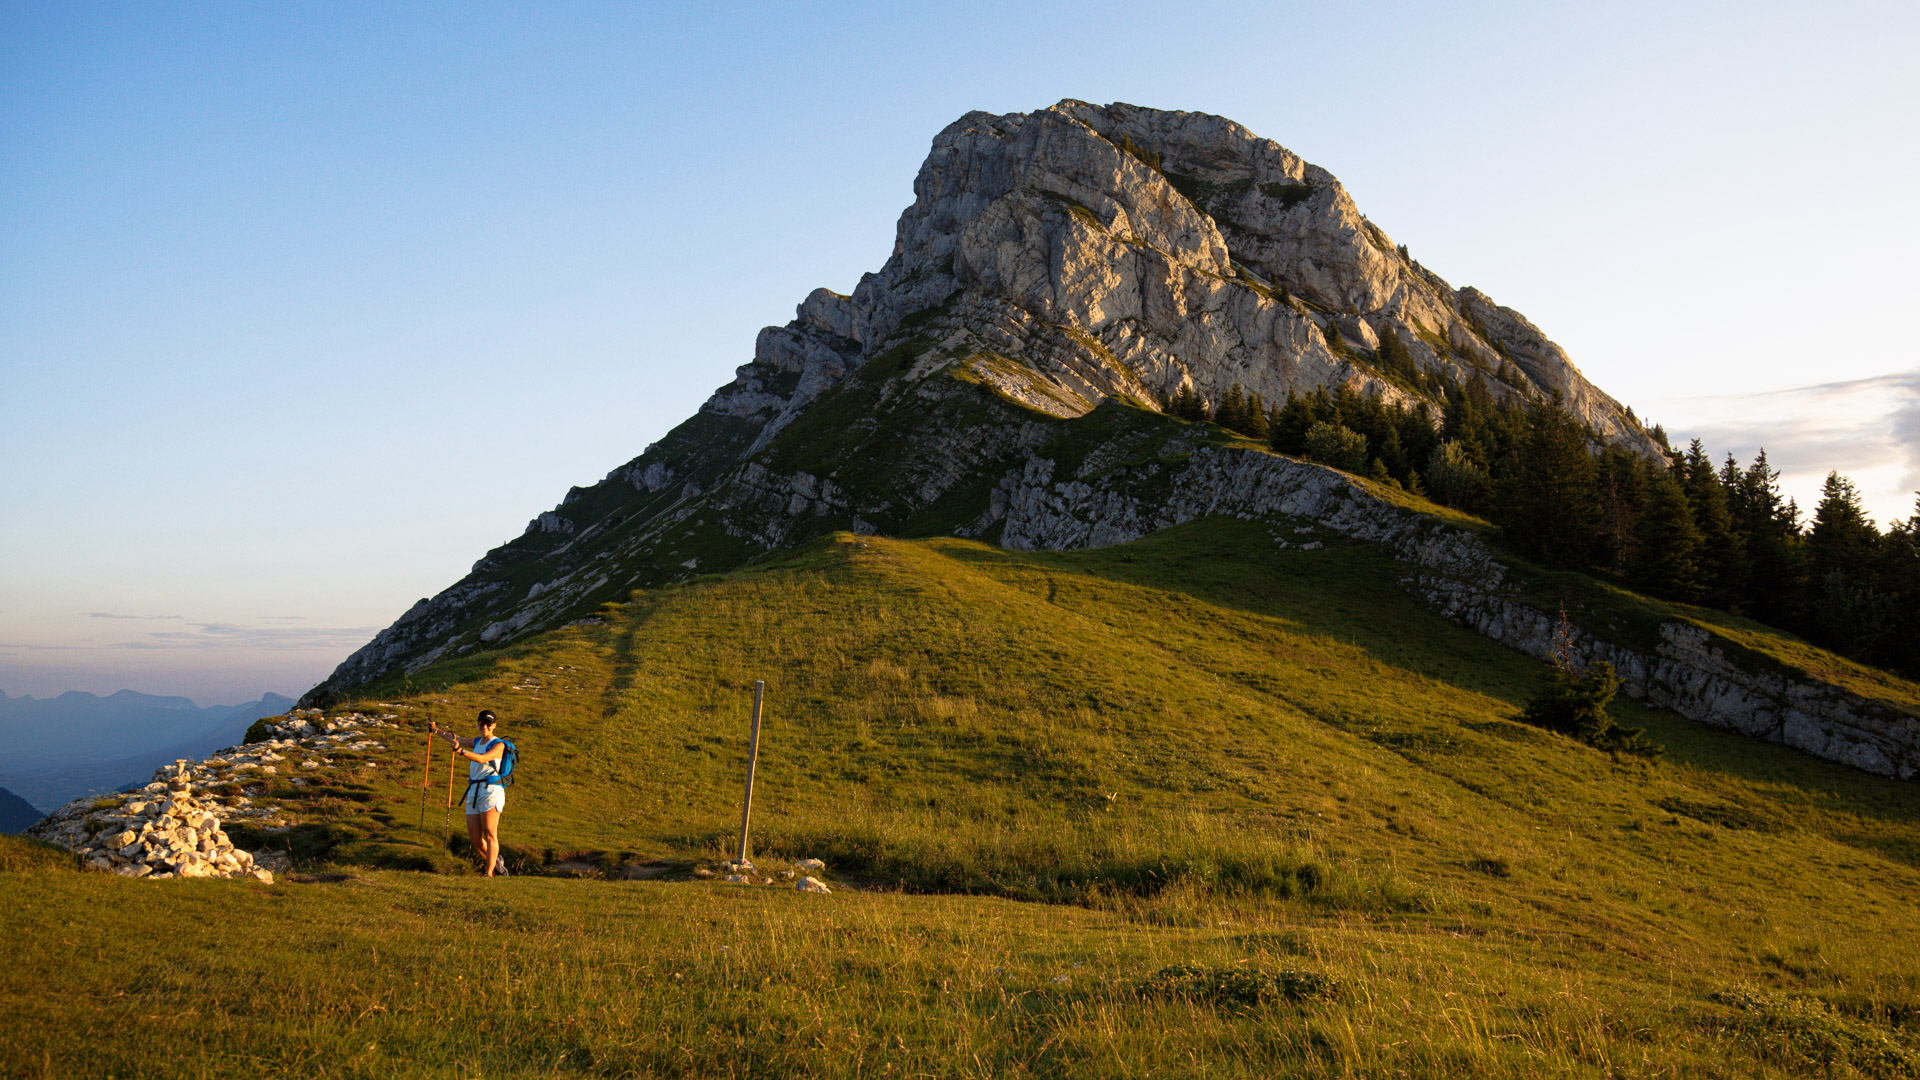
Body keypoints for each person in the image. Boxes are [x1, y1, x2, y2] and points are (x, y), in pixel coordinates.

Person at [432, 710, 509, 877]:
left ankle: (488, 874)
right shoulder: (476, 742)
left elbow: (483, 758)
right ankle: (496, 863)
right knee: (475, 838)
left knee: (489, 832)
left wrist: (462, 752)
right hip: (474, 790)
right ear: (478, 724)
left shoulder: (499, 745)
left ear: (494, 726)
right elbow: (455, 739)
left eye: (488, 724)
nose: (485, 727)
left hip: (491, 791)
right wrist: (435, 730)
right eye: (482, 723)